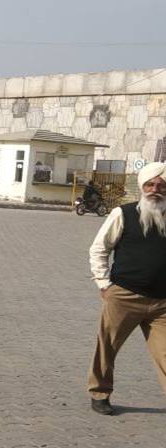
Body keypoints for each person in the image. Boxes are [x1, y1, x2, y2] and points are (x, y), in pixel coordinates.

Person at [87, 162, 166, 415]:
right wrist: (104, 283)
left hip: (162, 303)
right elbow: (100, 248)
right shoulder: (123, 213)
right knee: (107, 347)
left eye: (162, 186)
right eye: (150, 184)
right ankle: (99, 393)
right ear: (142, 187)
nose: (156, 189)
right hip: (124, 296)